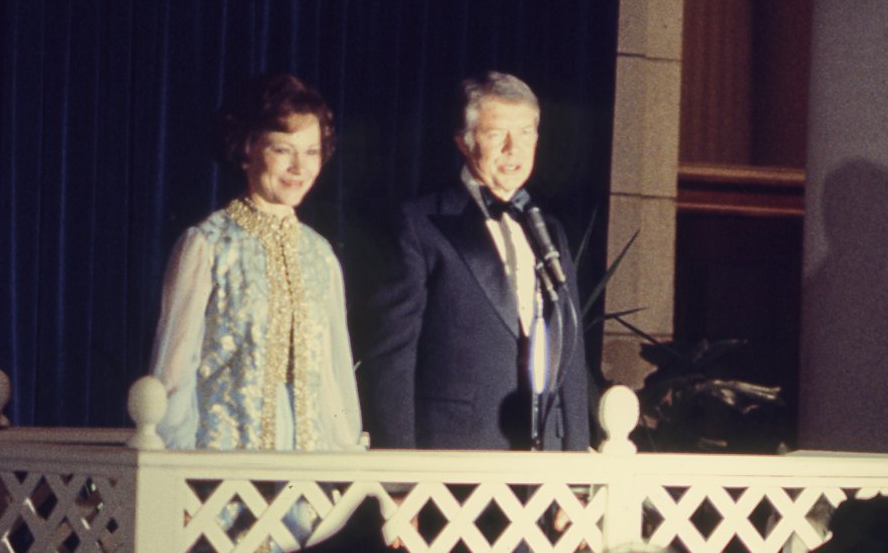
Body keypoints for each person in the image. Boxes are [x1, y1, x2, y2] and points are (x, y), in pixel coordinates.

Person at [362, 71, 590, 453]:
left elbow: (573, 353)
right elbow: (392, 362)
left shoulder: (549, 230)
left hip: (544, 467)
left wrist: (578, 482)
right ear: (464, 143)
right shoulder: (419, 224)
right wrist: (397, 481)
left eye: (525, 133)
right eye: (496, 133)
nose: (512, 149)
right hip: (455, 461)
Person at [149, 73, 364, 455]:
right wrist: (177, 473)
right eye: (283, 150)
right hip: (223, 468)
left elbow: (334, 380)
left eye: (312, 152)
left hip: (305, 469)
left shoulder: (320, 255)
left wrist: (343, 462)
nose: (300, 167)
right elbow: (174, 373)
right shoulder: (208, 245)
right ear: (247, 148)